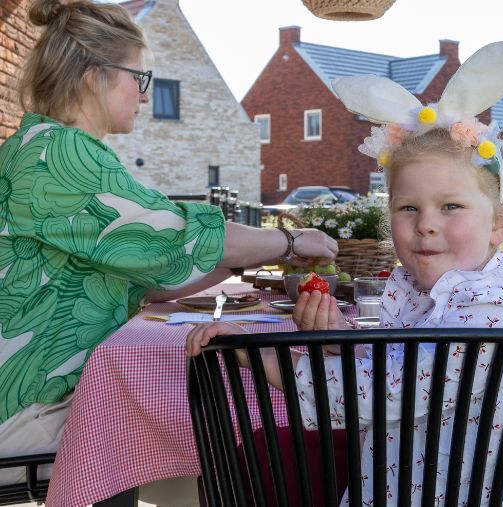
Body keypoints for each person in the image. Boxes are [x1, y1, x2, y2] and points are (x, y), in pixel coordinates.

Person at [188, 39, 503, 506]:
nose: (426, 223)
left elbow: (378, 396)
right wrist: (340, 336)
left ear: (500, 224)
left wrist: (254, 354)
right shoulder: (446, 291)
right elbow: (404, 367)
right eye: (408, 207)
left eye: (451, 207)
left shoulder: (492, 309)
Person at [0, 0, 337, 503]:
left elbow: (157, 276)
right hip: (20, 414)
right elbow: (177, 234)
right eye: (140, 77)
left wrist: (247, 258)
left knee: (204, 410)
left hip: (35, 396)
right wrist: (290, 241)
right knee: (230, 416)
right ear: (95, 76)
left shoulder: (46, 147)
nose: (144, 93)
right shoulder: (58, 155)